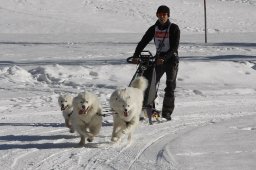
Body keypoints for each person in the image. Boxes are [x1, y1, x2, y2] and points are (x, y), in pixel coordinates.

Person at [132, 5, 180, 121]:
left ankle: (166, 113)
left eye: (164, 14)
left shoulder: (174, 28)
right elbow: (143, 42)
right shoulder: (154, 28)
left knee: (170, 87)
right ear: (156, 15)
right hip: (158, 60)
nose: (162, 16)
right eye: (160, 14)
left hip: (171, 60)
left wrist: (165, 58)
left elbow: (174, 47)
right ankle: (149, 110)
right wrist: (136, 55)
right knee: (149, 84)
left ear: (168, 15)